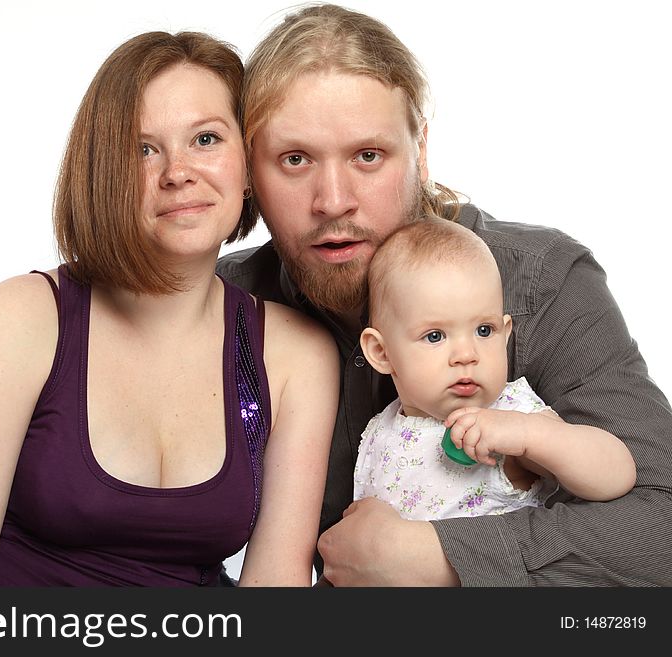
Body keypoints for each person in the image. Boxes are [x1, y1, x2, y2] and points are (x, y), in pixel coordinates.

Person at [217, 3, 672, 585]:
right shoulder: (230, 306)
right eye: (295, 159)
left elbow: (660, 522)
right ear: (251, 173)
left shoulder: (540, 280)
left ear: (420, 152)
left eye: (368, 156)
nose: (333, 200)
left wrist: (439, 557)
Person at [0, 30, 338, 587]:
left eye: (206, 139)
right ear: (103, 173)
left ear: (248, 163)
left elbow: (274, 594)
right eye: (143, 148)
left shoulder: (294, 355)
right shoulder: (26, 317)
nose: (177, 172)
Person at [355, 218, 636, 520]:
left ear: (505, 334)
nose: (466, 354)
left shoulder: (511, 417)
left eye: (484, 331)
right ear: (381, 352)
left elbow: (617, 476)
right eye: (435, 336)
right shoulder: (379, 430)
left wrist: (531, 436)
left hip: (484, 567)